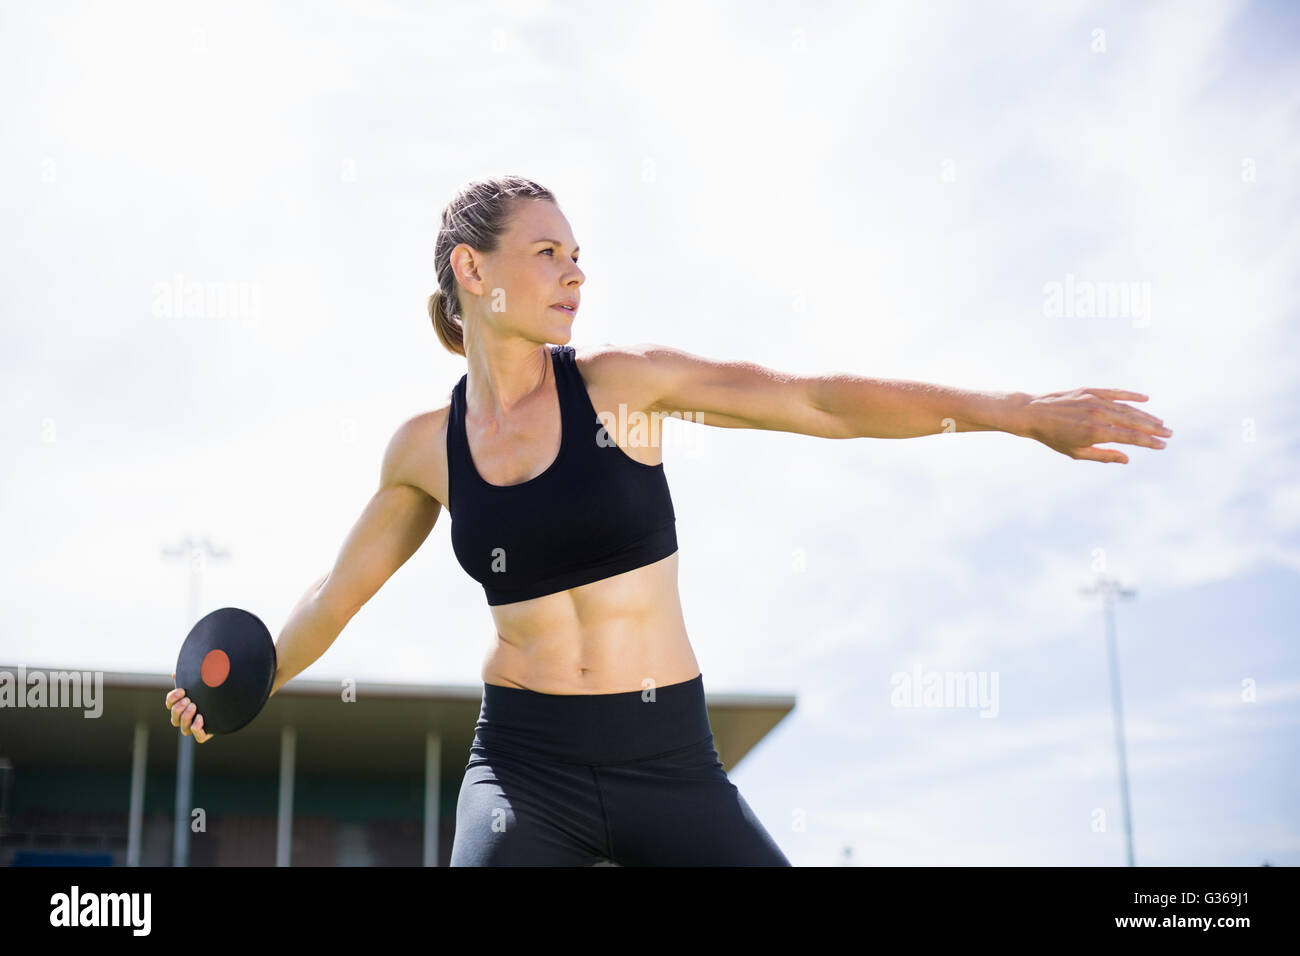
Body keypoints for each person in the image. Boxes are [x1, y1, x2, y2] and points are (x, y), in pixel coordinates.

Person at [166, 174, 1172, 866]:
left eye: (577, 253)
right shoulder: (423, 447)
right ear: (473, 273)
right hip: (524, 762)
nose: (575, 271)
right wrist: (244, 682)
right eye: (547, 251)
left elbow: (816, 400)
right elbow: (335, 592)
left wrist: (1014, 411)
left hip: (665, 758)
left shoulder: (621, 387)